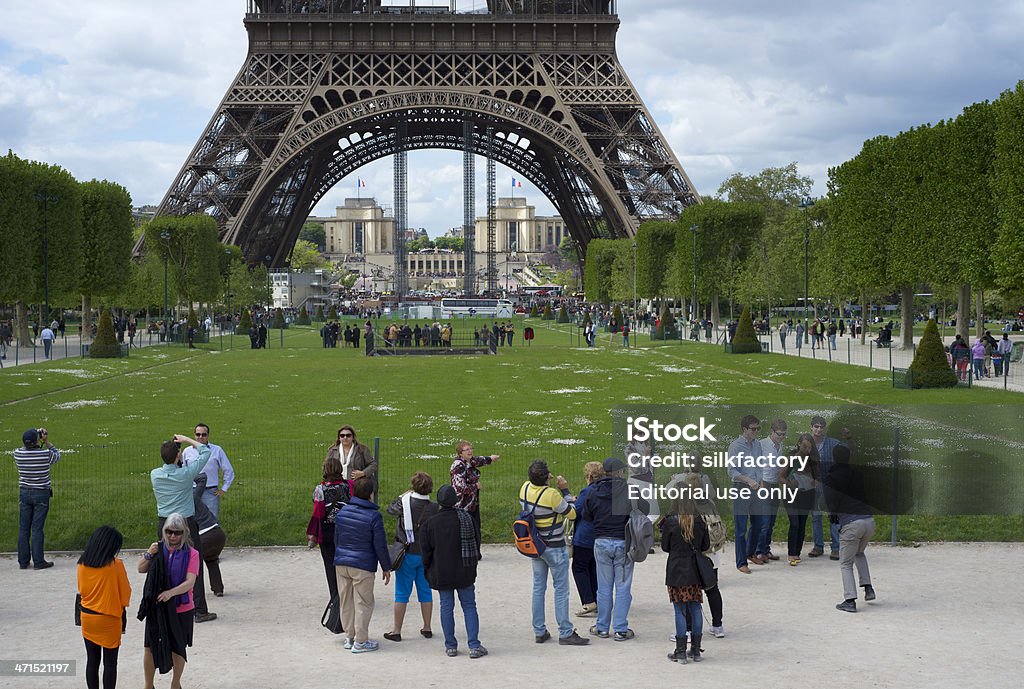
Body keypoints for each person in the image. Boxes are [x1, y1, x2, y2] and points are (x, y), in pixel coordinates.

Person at [519, 460, 590, 646]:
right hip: (554, 546)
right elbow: (572, 513)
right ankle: (565, 631)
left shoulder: (524, 488)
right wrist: (565, 491)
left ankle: (539, 630)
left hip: (536, 546)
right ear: (546, 477)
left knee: (538, 588)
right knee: (561, 589)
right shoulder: (551, 494)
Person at [151, 434, 216, 623]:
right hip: (185, 523)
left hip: (164, 522)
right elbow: (205, 451)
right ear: (178, 456)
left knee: (165, 563)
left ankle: (164, 603)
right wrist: (187, 439)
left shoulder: (155, 474)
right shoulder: (186, 474)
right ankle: (199, 609)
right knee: (193, 563)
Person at [580, 457, 646, 641]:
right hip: (623, 542)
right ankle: (620, 629)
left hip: (601, 541)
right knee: (623, 587)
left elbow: (586, 515)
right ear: (619, 472)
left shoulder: (593, 491)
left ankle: (602, 627)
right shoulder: (629, 490)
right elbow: (645, 508)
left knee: (604, 588)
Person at [420, 485, 486, 658]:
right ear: (455, 501)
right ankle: (474, 645)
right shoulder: (467, 519)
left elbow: (425, 552)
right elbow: (477, 543)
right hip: (465, 570)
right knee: (469, 606)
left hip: (442, 571)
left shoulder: (430, 524)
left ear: (439, 502)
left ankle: (450, 646)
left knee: (446, 607)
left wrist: (428, 569)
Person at [138, 513, 200, 689]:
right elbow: (140, 568)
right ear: (164, 531)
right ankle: (148, 685)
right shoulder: (157, 549)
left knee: (178, 649)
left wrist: (170, 593)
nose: (173, 536)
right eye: (169, 532)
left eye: (177, 532)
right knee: (149, 647)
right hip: (157, 607)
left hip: (182, 607)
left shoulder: (192, 554)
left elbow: (190, 582)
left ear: (184, 533)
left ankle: (175, 684)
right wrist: (148, 554)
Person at [333, 477, 392, 653]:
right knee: (363, 602)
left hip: (342, 562)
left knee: (346, 601)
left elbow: (337, 538)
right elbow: (379, 545)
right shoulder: (374, 516)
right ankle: (360, 641)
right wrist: (386, 566)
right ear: (371, 494)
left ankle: (349, 636)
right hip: (362, 564)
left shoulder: (342, 512)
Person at [384, 472, 439, 642]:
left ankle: (397, 630)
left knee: (401, 593)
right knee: (425, 592)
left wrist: (402, 496)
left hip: (406, 554)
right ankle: (427, 627)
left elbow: (390, 509)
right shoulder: (434, 507)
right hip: (424, 555)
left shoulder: (404, 503)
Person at [823, 446, 876, 612]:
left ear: (834, 458)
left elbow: (829, 502)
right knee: (859, 553)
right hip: (868, 521)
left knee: (845, 563)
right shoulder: (857, 474)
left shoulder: (832, 477)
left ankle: (850, 600)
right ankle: (868, 588)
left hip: (852, 523)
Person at [77, 525, 131, 689]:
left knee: (92, 661)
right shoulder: (116, 566)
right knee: (110, 664)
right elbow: (125, 594)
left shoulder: (81, 564)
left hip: (87, 617)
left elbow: (81, 590)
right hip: (109, 619)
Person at [662, 494, 709, 664]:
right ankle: (695, 650)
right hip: (694, 570)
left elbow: (665, 546)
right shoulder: (699, 521)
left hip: (676, 570)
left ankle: (680, 651)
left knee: (679, 610)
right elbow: (705, 545)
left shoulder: (671, 521)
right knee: (696, 608)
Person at [306, 453, 351, 604]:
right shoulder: (349, 486)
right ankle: (349, 595)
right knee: (346, 563)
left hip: (328, 531)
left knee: (330, 565)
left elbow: (317, 514)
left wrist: (313, 534)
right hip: (346, 530)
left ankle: (335, 597)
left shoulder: (320, 489)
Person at [14, 427, 61, 569]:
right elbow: (57, 455)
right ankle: (39, 561)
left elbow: (25, 446)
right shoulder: (45, 454)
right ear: (36, 441)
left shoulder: (17, 454)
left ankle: (23, 562)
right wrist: (46, 441)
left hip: (24, 492)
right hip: (41, 493)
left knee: (24, 528)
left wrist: (33, 439)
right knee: (37, 529)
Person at [808, 416, 850, 561]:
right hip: (814, 486)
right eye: (816, 426)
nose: (818, 429)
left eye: (821, 427)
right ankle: (818, 546)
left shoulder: (833, 443)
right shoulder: (806, 444)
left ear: (824, 429)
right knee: (815, 516)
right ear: (811, 427)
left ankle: (836, 548)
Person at [727, 415, 764, 572]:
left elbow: (760, 464)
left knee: (758, 524)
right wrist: (748, 480)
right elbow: (732, 471)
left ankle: (750, 552)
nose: (756, 431)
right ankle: (741, 562)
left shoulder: (757, 445)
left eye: (757, 428)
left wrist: (761, 482)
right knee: (741, 528)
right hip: (742, 488)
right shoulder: (735, 446)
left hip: (756, 488)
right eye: (753, 429)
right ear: (744, 429)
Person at [779, 433, 820, 565]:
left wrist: (814, 481)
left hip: (807, 494)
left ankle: (797, 552)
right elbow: (780, 477)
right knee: (795, 523)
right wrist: (789, 484)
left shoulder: (812, 459)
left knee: (802, 523)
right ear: (799, 445)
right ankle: (791, 553)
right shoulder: (791, 458)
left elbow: (817, 478)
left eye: (809, 448)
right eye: (804, 447)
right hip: (790, 494)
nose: (806, 450)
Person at [571, 461, 604, 618]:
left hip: (584, 537)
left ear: (589, 476)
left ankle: (588, 600)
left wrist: (570, 498)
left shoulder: (587, 491)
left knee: (579, 567)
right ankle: (596, 600)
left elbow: (575, 512)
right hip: (599, 535)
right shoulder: (605, 489)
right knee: (593, 568)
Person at [182, 423, 235, 518]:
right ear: (194, 435)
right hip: (192, 491)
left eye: (204, 434)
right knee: (192, 520)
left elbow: (228, 470)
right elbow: (182, 471)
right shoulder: (187, 451)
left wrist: (224, 488)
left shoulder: (217, 450)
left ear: (208, 435)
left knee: (211, 520)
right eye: (198, 434)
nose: (200, 437)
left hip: (210, 492)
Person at [449, 440, 499, 539]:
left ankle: (475, 551)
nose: (470, 451)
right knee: (466, 531)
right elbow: (460, 487)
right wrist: (475, 486)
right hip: (462, 505)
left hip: (472, 503)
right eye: (466, 449)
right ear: (460, 453)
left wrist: (490, 458)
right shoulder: (458, 466)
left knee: (475, 529)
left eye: (471, 448)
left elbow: (478, 460)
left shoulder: (469, 461)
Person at [757, 419, 788, 561]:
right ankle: (758, 551)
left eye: (783, 435)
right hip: (764, 484)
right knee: (764, 521)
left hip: (775, 485)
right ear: (772, 431)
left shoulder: (780, 446)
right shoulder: (762, 445)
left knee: (771, 521)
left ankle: (766, 549)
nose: (781, 437)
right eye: (779, 434)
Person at [193, 476, 227, 598]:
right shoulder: (194, 494)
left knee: (192, 563)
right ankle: (218, 589)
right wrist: (189, 475)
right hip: (219, 534)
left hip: (204, 537)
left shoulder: (182, 502)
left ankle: (195, 592)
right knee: (211, 559)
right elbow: (202, 478)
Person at [325, 426, 377, 495]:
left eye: (348, 435)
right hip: (338, 486)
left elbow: (373, 464)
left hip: (360, 486)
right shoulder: (332, 450)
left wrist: (363, 473)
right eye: (342, 435)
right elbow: (326, 466)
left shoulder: (362, 449)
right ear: (339, 438)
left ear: (353, 437)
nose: (345, 437)